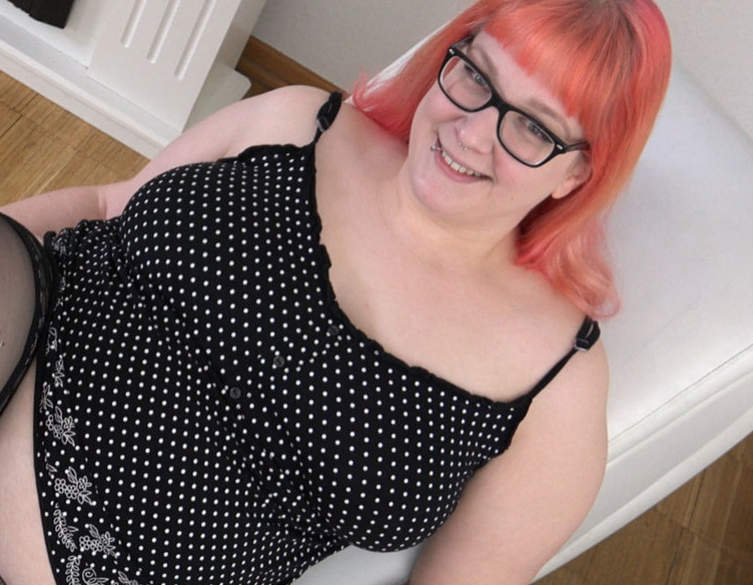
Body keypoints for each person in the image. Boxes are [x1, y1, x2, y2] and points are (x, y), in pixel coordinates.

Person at [0, 0, 671, 583]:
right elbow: (104, 202)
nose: (471, 132)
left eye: (532, 126)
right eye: (476, 75)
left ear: (577, 174)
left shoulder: (557, 382)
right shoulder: (299, 121)